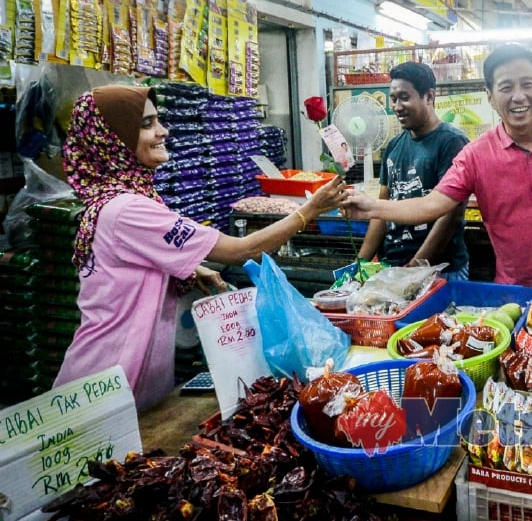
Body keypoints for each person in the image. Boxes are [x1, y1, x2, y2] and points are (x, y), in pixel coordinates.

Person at [53, 85, 349, 411]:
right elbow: (242, 250)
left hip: (124, 381)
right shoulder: (127, 209)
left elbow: (131, 264)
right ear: (112, 139)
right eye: (146, 124)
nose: (163, 131)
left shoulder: (119, 200)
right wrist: (308, 211)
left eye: (158, 120)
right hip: (103, 385)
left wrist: (193, 268)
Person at [344, 43, 532, 288]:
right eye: (506, 87)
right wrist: (371, 206)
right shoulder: (475, 156)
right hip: (517, 291)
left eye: (527, 84)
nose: (518, 96)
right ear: (491, 97)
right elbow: (431, 205)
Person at [357, 62, 470, 280]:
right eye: (393, 98)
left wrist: (417, 267)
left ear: (429, 96)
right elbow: (381, 210)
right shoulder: (394, 145)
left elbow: (451, 214)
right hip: (394, 269)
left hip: (439, 272)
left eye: (404, 97)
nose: (397, 106)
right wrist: (359, 265)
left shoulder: (451, 143)